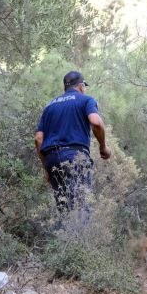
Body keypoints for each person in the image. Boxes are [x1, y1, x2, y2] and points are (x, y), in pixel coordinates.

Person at [34, 71, 111, 223]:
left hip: (52, 160)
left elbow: (38, 139)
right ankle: (79, 244)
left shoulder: (49, 106)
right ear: (81, 86)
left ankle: (65, 243)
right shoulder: (86, 100)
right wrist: (103, 147)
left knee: (64, 208)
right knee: (81, 206)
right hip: (75, 157)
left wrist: (47, 169)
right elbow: (96, 122)